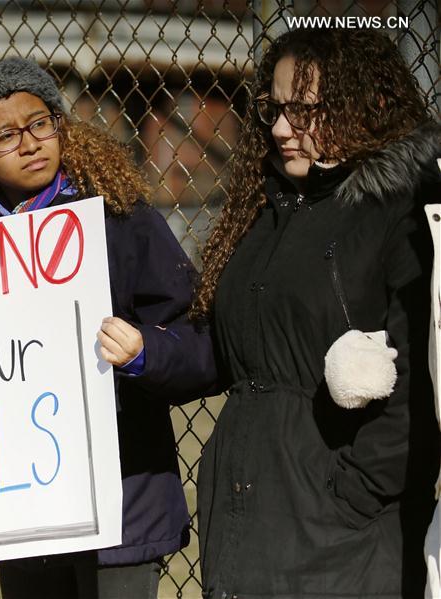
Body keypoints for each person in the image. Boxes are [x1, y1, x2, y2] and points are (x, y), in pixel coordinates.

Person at [0, 56, 217, 599]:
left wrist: (145, 351)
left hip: (121, 503)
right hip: (17, 511)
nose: (30, 142)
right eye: (5, 135)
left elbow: (203, 345)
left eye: (40, 123)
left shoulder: (122, 222)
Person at [192, 27, 441, 597]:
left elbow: (419, 391)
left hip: (343, 539)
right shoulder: (269, 207)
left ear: (364, 106)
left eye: (304, 111)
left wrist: (350, 495)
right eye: (274, 109)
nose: (281, 130)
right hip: (248, 520)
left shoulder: (402, 217)